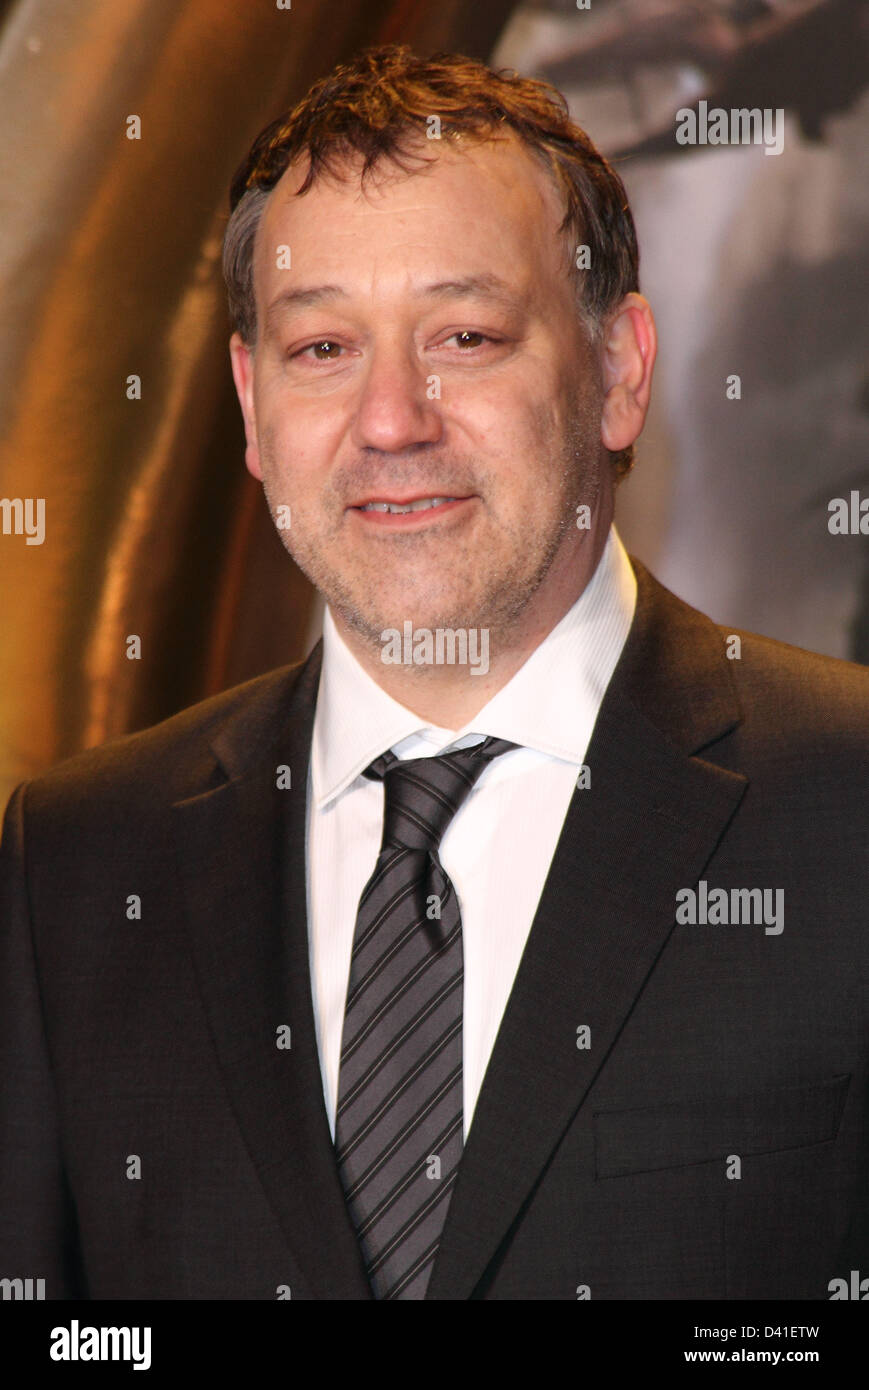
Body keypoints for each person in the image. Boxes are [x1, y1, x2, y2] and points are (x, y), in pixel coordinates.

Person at [1, 43, 867, 1302]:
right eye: (320, 350)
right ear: (248, 405)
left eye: (464, 334)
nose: (392, 420)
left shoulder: (845, 804)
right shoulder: (76, 862)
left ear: (618, 371)